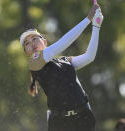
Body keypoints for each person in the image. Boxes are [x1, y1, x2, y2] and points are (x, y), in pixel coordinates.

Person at [19, 3, 103, 131]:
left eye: (35, 39)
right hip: (60, 124)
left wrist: (96, 26)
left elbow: (89, 57)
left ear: (44, 42)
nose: (32, 44)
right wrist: (88, 19)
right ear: (26, 52)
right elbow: (62, 43)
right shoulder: (34, 63)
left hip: (83, 118)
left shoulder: (64, 61)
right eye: (27, 43)